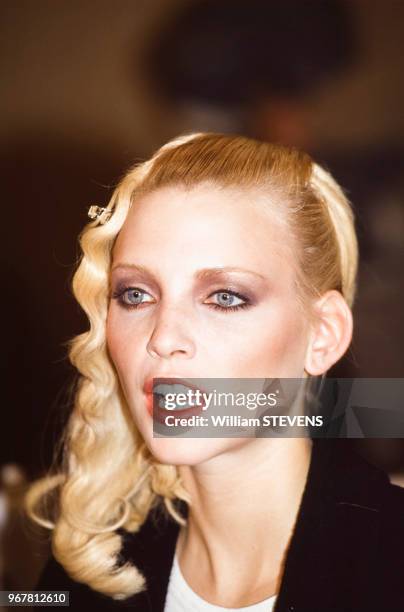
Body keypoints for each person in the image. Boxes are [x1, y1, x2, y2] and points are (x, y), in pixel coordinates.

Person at [25, 133, 404, 611]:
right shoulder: (86, 571)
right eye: (136, 294)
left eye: (225, 297)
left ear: (323, 334)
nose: (163, 338)